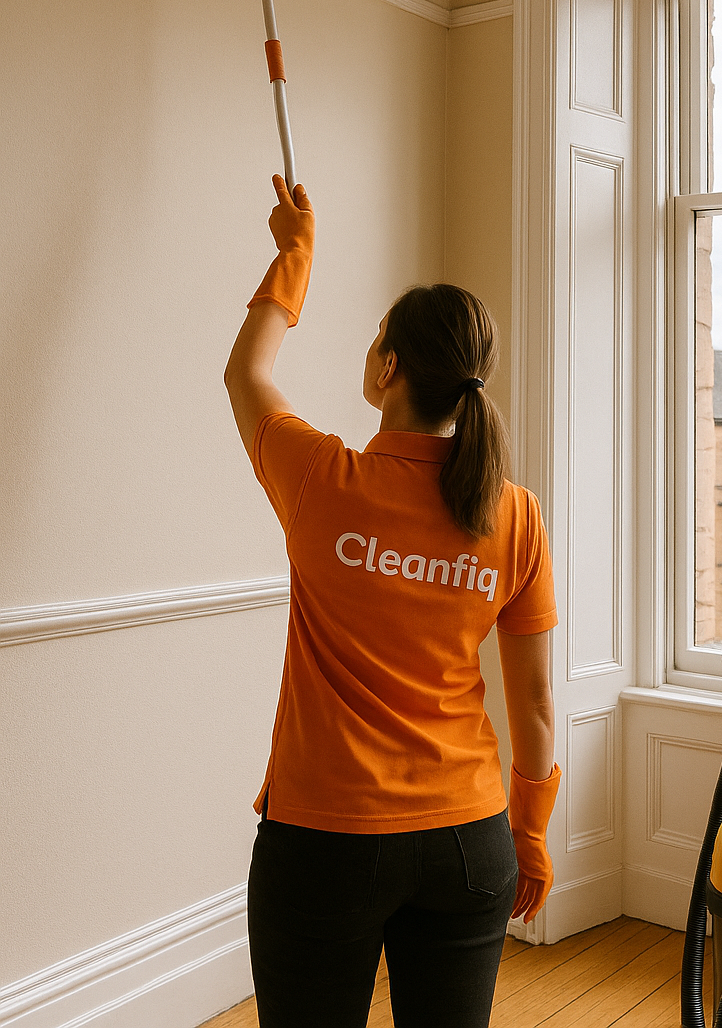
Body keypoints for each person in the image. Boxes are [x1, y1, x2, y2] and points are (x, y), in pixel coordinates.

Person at [224, 175, 560, 1028]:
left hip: (324, 842)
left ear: (389, 367)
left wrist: (295, 254)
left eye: (377, 340)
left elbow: (245, 370)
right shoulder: (513, 513)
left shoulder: (321, 479)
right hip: (469, 839)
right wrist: (530, 833)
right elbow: (536, 704)